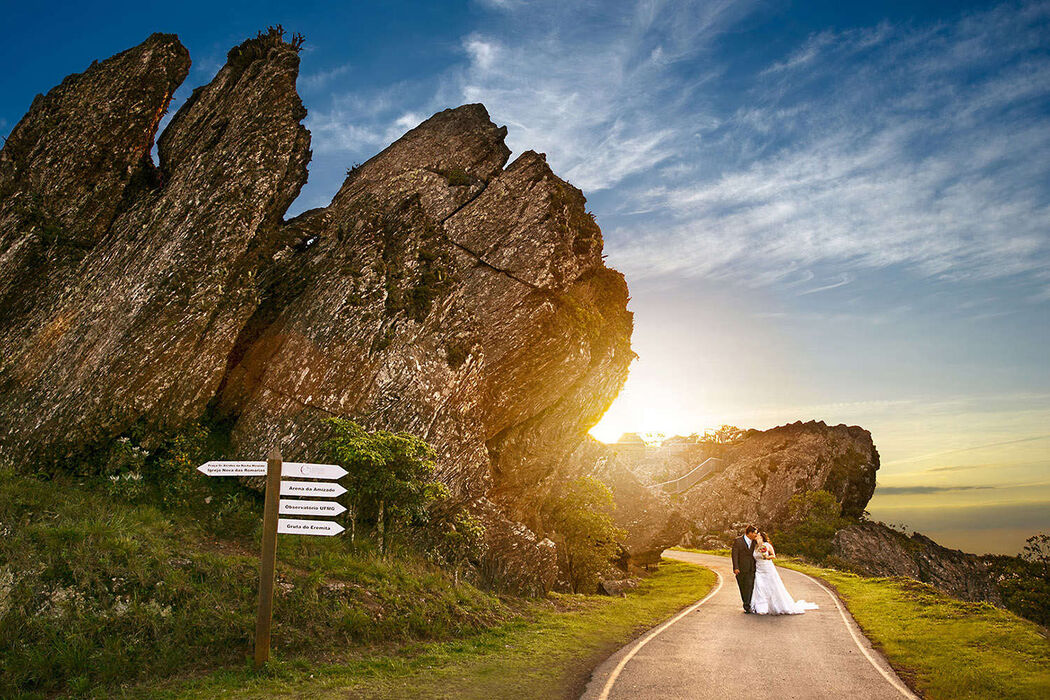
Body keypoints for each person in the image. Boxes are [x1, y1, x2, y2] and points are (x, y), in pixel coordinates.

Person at [749, 531, 819, 615]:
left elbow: (773, 556)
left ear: (762, 537)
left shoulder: (767, 545)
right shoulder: (755, 547)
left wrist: (767, 557)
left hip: (767, 568)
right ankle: (761, 608)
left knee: (772, 586)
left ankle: (776, 605)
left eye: (758, 536)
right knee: (759, 587)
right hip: (759, 569)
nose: (756, 536)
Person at [731, 525, 758, 613]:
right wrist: (736, 567)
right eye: (754, 533)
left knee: (750, 586)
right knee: (742, 587)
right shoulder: (738, 541)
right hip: (741, 569)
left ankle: (747, 605)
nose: (755, 535)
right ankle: (745, 602)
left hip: (751, 568)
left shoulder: (755, 542)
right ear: (749, 533)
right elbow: (734, 555)